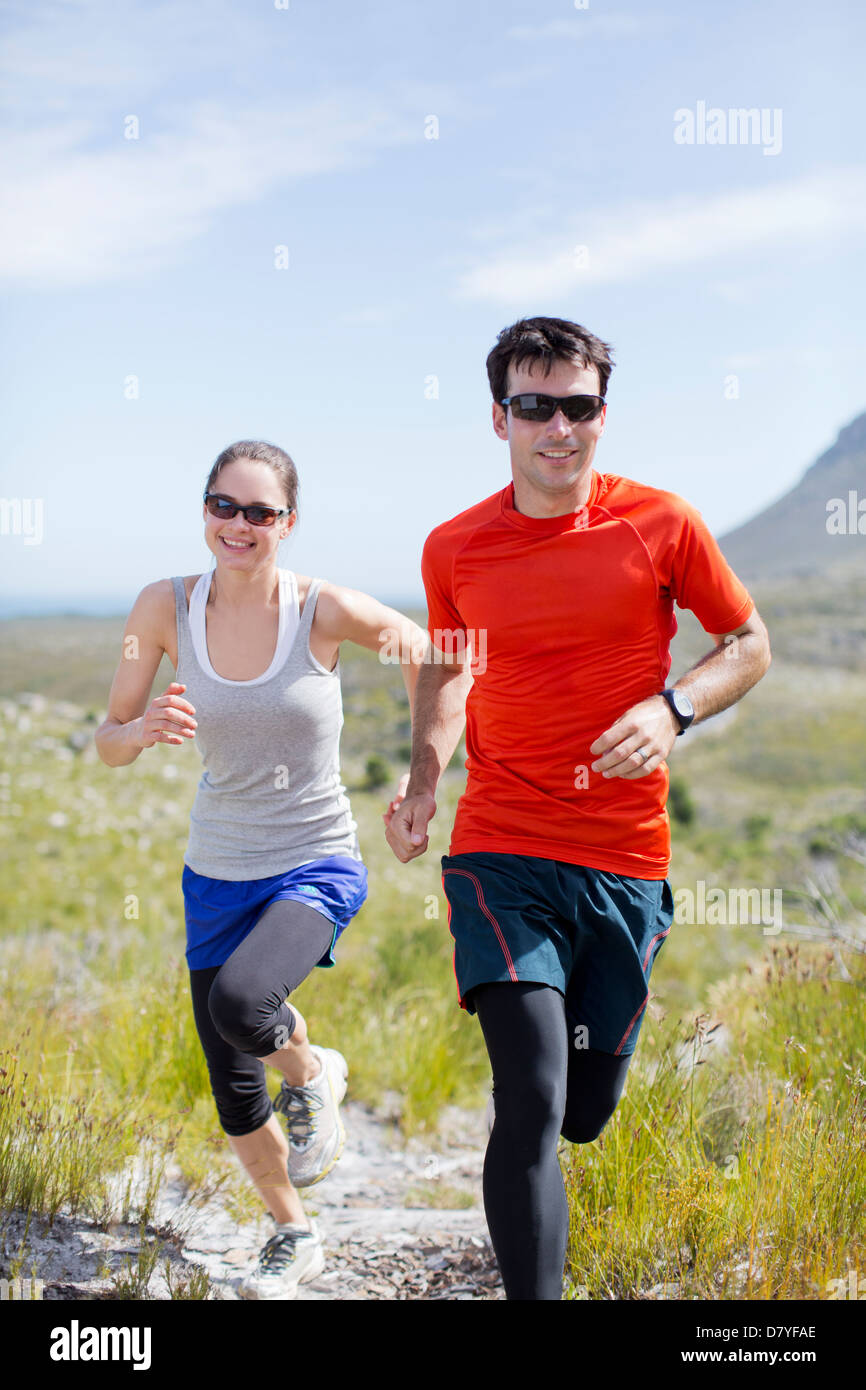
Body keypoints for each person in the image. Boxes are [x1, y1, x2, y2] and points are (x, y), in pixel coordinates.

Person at [385, 317, 772, 1300]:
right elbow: (444, 664)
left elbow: (746, 642)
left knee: (584, 1109)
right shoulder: (456, 545)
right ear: (498, 416)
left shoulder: (660, 523)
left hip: (623, 860)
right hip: (499, 849)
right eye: (533, 406)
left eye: (577, 406)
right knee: (530, 1097)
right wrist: (426, 773)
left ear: (602, 412)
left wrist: (671, 706)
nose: (557, 427)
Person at [96, 439, 424, 1300]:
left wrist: (423, 770)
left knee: (243, 1005)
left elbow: (434, 650)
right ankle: (294, 1232)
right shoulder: (162, 607)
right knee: (233, 1083)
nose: (237, 525)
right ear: (205, 509)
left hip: (314, 860)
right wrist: (139, 733)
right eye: (222, 506)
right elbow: (108, 739)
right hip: (216, 871)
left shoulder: (324, 609)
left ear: (289, 523)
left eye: (259, 512)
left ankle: (315, 1074)